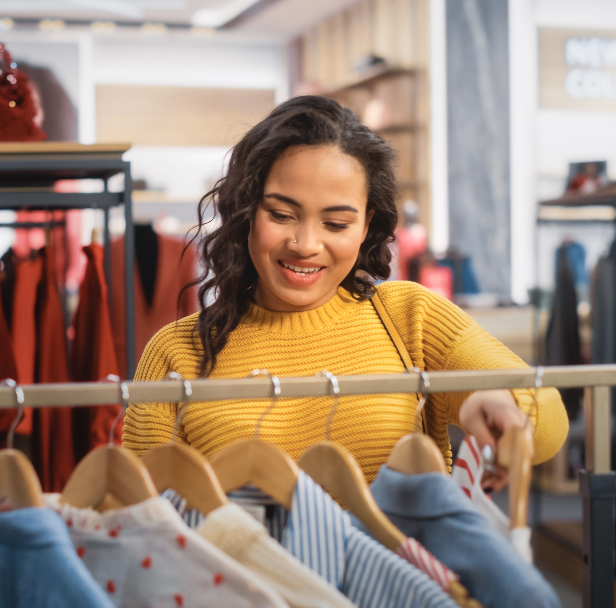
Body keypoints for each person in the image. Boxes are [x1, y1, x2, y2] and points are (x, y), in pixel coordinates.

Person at [122, 96, 568, 488]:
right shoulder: (177, 353)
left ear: (367, 226)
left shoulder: (410, 317)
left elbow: (548, 425)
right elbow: (142, 521)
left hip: (400, 584)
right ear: (246, 211)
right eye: (281, 215)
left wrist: (498, 402)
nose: (306, 244)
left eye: (336, 224)